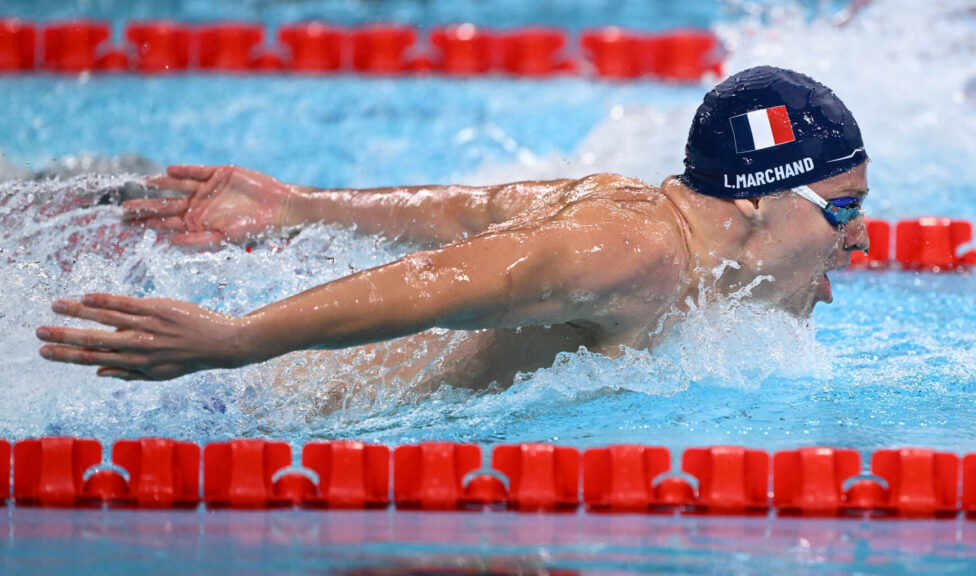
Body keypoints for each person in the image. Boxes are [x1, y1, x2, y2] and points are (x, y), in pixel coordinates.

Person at [35, 66, 869, 389]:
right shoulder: (634, 253)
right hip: (270, 414)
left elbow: (468, 211)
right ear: (761, 197)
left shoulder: (635, 210)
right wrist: (238, 337)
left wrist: (295, 206)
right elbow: (435, 282)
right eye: (847, 210)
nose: (862, 240)